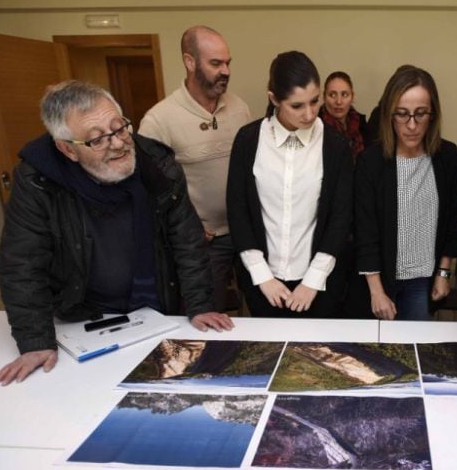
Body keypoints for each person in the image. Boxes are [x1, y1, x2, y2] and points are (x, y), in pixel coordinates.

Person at [0, 80, 233, 386]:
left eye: (119, 128)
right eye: (97, 140)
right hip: (83, 318)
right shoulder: (38, 181)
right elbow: (21, 263)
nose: (119, 143)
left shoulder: (156, 163)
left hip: (156, 311)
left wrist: (200, 305)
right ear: (67, 148)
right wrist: (35, 340)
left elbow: (186, 239)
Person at [226, 51, 353, 318]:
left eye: (315, 101)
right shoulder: (248, 140)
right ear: (274, 99)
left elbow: (340, 218)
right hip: (263, 283)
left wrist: (313, 281)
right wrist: (262, 277)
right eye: (297, 106)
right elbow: (238, 211)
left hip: (320, 285)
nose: (309, 114)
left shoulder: (335, 145)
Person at [139, 25, 250, 312]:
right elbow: (149, 193)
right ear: (190, 62)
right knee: (208, 315)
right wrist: (189, 225)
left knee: (257, 313)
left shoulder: (240, 108)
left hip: (246, 233)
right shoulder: (158, 121)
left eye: (228, 63)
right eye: (216, 63)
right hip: (203, 243)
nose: (225, 71)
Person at [354, 66, 457, 321]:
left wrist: (444, 272)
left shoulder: (447, 156)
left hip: (422, 281)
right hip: (380, 282)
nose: (411, 125)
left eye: (420, 114)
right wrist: (377, 292)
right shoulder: (371, 162)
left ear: (433, 114)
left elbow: (451, 220)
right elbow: (365, 231)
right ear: (389, 115)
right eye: (402, 115)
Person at [319, 71, 370, 160]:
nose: (339, 101)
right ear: (324, 97)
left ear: (352, 97)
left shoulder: (362, 125)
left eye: (344, 94)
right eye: (332, 95)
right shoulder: (316, 126)